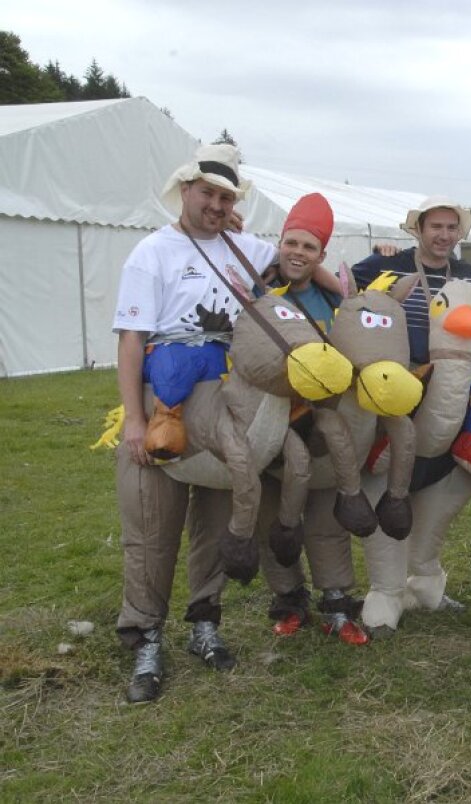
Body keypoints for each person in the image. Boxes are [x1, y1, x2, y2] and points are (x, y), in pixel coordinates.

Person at [112, 144, 276, 702]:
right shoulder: (152, 253)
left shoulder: (248, 249)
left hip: (230, 401)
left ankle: (205, 621)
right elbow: (132, 339)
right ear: (184, 191)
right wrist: (134, 418)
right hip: (167, 406)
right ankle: (146, 638)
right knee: (152, 529)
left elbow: (304, 262)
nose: (214, 204)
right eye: (206, 192)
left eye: (225, 196)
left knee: (215, 522)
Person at [351, 197, 471, 611]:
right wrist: (378, 255)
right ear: (418, 229)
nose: (444, 235)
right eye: (436, 227)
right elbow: (337, 286)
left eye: (452, 228)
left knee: (437, 478)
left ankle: (425, 577)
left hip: (447, 388)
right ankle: (386, 585)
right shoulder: (381, 266)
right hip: (395, 389)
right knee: (386, 475)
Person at [249, 193, 372, 645]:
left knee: (326, 515)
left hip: (325, 418)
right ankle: (288, 598)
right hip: (272, 417)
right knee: (272, 513)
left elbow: (358, 317)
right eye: (291, 243)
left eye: (309, 247)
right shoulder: (259, 293)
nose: (297, 253)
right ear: (279, 244)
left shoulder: (332, 298)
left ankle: (338, 603)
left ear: (321, 255)